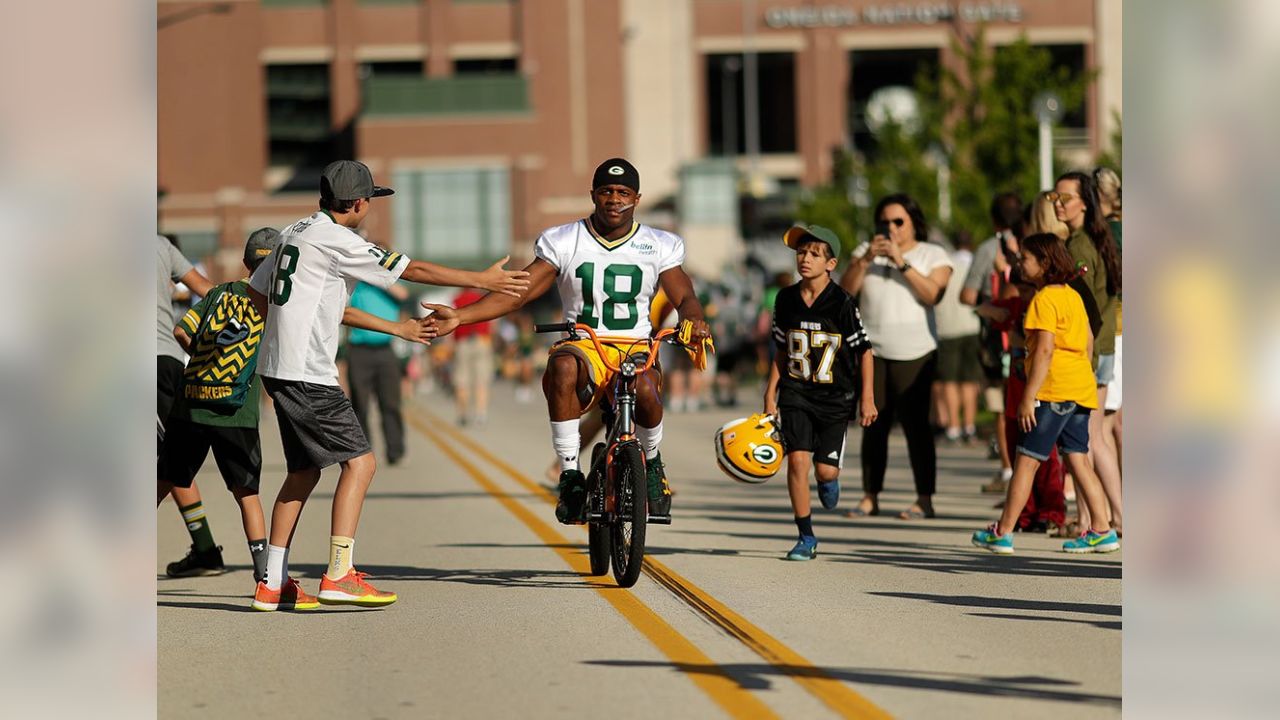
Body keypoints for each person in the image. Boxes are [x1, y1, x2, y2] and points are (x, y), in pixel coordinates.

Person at [245, 160, 530, 611]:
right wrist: (480, 279)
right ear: (358, 203)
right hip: (308, 372)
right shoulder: (340, 239)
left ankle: (272, 583)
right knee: (361, 464)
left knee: (304, 471)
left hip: (279, 369)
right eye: (370, 200)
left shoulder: (291, 233)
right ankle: (339, 573)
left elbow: (261, 294)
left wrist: (396, 330)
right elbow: (411, 270)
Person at [423, 158, 713, 524]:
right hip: (584, 342)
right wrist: (461, 316)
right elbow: (520, 292)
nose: (614, 199)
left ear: (637, 199)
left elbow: (682, 294)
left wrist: (694, 317)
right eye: (606, 191)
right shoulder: (565, 239)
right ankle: (570, 474)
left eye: (623, 192)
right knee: (561, 365)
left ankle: (652, 463)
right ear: (593, 194)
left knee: (646, 392)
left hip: (635, 344)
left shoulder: (659, 244)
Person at [971, 234, 1119, 554]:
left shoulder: (1042, 300)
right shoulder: (1072, 296)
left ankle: (1003, 531)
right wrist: (1084, 377)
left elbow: (1045, 351)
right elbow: (1089, 342)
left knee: (1026, 460)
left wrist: (1029, 395)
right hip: (1080, 387)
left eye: (1025, 258)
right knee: (1078, 459)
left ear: (1045, 263)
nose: (1019, 263)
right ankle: (1103, 529)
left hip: (1054, 391)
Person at [763, 225, 875, 561]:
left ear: (831, 263)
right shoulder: (785, 299)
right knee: (797, 463)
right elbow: (781, 350)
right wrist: (771, 393)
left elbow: (865, 351)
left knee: (824, 471)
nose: (805, 259)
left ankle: (830, 478)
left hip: (835, 398)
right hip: (796, 392)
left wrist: (867, 397)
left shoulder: (841, 302)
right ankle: (806, 536)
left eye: (814, 253)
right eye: (801, 252)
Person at [840, 194, 953, 520]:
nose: (890, 228)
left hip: (916, 351)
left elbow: (932, 294)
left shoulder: (933, 253)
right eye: (884, 222)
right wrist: (861, 262)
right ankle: (869, 495)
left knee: (917, 427)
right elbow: (844, 296)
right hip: (872, 351)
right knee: (873, 424)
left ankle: (924, 499)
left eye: (897, 221)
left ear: (913, 222)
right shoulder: (865, 252)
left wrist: (901, 260)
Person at [1052, 171, 1123, 534]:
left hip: (1090, 348)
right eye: (1055, 198)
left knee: (1085, 438)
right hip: (1104, 344)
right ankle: (1103, 517)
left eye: (1065, 197)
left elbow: (1088, 309)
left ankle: (1097, 520)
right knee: (1096, 435)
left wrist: (1083, 352)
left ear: (1085, 201)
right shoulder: (1096, 238)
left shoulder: (1080, 245)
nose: (1058, 204)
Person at [156, 234, 224, 577]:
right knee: (173, 459)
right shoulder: (160, 245)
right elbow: (209, 291)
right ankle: (205, 549)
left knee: (168, 461)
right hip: (167, 362)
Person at [960, 193, 1022, 493]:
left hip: (999, 337)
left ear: (994, 219)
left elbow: (967, 296)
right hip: (1033, 335)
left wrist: (989, 302)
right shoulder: (1036, 240)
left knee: (1002, 406)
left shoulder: (989, 248)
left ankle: (1009, 471)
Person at [347, 273, 411, 465]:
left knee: (390, 403)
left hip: (385, 351)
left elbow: (403, 294)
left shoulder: (390, 286)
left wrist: (379, 276)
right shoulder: (357, 284)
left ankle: (395, 450)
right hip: (359, 350)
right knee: (360, 403)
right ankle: (363, 452)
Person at [933, 230, 982, 445]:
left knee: (950, 381)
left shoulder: (946, 265)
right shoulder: (976, 264)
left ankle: (953, 426)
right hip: (972, 325)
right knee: (969, 381)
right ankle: (969, 425)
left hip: (948, 328)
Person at [451, 286, 496, 426]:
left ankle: (463, 413)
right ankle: (481, 413)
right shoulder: (483, 298)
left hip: (462, 342)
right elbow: (492, 322)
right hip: (482, 340)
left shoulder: (457, 300)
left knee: (462, 379)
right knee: (481, 379)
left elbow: (450, 322)